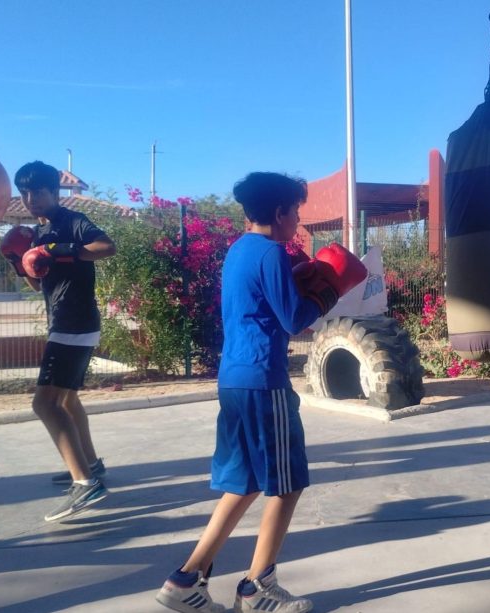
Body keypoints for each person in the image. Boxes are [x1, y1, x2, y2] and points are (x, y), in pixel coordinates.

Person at [156, 172, 365, 613]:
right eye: (296, 212)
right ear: (278, 212)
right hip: (262, 380)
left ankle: (184, 580)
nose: (298, 221)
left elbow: (265, 307)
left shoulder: (238, 251)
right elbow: (295, 319)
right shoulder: (272, 253)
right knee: (287, 485)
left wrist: (302, 281)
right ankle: (257, 587)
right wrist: (328, 292)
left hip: (233, 379)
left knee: (245, 483)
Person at [12, 161, 116, 522]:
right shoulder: (37, 233)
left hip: (74, 323)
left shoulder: (71, 220)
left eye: (37, 191)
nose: (30, 199)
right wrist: (18, 260)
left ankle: (84, 483)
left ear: (53, 192)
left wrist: (59, 250)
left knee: (45, 404)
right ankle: (90, 464)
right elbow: (38, 283)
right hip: (69, 322)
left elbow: (106, 246)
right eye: (25, 192)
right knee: (68, 400)